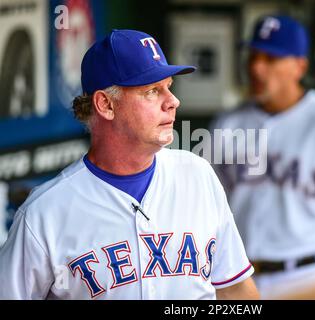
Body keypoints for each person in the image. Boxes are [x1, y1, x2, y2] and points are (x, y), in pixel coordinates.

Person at [0, 29, 258, 300]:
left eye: (168, 87)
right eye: (152, 91)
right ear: (106, 105)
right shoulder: (45, 213)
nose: (172, 101)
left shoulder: (197, 175)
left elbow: (235, 290)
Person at [211, 15, 315, 298]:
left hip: (309, 276)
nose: (256, 67)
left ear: (299, 66)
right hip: (238, 281)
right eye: (253, 56)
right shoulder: (226, 124)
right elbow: (207, 212)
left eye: (271, 59)